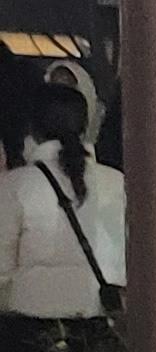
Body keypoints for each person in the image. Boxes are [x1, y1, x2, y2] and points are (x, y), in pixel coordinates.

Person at [0, 73, 124, 329]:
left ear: (32, 129)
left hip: (30, 327)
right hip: (101, 323)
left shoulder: (16, 185)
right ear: (85, 125)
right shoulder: (117, 182)